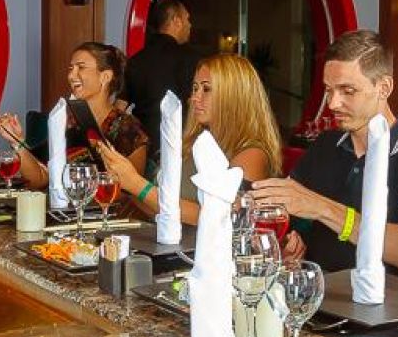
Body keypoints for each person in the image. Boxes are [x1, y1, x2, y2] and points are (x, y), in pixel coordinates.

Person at [252, 31, 398, 277]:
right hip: (318, 292)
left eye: (347, 91)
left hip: (383, 299)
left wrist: (323, 208)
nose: (333, 103)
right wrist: (286, 246)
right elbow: (285, 220)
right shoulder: (326, 145)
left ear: (384, 88)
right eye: (329, 90)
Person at [95, 53, 282, 224]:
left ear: (234, 96)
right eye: (195, 88)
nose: (194, 98)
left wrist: (137, 184)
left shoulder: (252, 153)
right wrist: (126, 185)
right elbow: (161, 210)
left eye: (206, 89)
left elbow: (222, 220)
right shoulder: (193, 145)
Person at [0, 42, 149, 189]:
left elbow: (132, 194)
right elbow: (39, 179)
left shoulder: (130, 130)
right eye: (71, 68)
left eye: (81, 67)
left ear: (105, 77)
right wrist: (17, 141)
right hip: (66, 207)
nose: (71, 76)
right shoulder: (68, 121)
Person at [123, 0, 201, 172]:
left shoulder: (136, 61)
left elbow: (120, 107)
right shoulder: (192, 59)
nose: (190, 25)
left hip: (143, 153)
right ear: (176, 21)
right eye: (187, 19)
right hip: (180, 152)